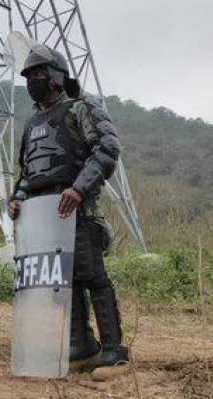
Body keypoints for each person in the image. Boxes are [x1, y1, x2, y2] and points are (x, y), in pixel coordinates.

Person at [8, 44, 129, 380]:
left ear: (57, 76)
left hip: (77, 205)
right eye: (29, 75)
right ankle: (82, 346)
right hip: (42, 214)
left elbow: (106, 148)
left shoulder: (80, 108)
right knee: (64, 279)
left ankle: (115, 351)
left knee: (92, 275)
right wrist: (17, 199)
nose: (34, 79)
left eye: (40, 73)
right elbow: (27, 172)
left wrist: (79, 188)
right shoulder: (32, 123)